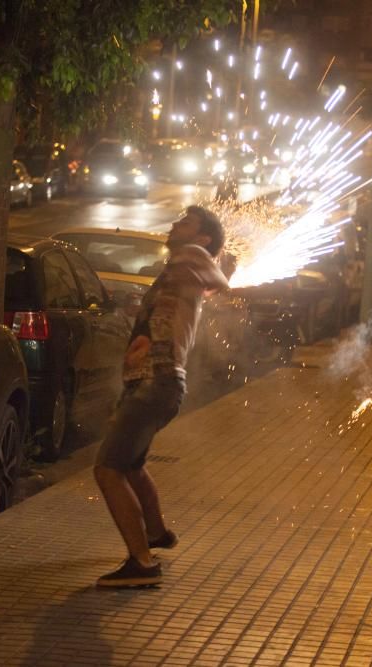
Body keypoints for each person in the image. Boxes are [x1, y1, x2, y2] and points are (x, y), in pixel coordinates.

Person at [93, 206, 229, 587]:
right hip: (150, 381)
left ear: (202, 238)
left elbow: (216, 276)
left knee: (108, 469)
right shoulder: (180, 267)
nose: (174, 225)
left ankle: (142, 563)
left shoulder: (194, 258)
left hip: (158, 380)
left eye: (185, 223)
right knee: (132, 466)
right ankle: (155, 535)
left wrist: (214, 267)